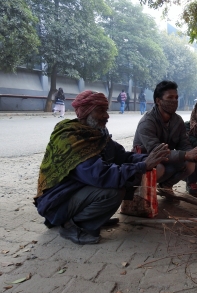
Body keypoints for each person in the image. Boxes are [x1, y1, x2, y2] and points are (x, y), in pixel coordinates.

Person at [34, 90, 170, 245]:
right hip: (57, 203)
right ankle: (73, 225)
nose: (107, 116)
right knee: (113, 191)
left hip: (77, 192)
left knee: (124, 179)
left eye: (106, 110)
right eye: (100, 111)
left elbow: (122, 156)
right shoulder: (70, 138)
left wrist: (149, 159)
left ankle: (94, 218)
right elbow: (101, 175)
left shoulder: (96, 133)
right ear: (85, 113)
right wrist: (143, 165)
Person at [133, 81, 197, 198]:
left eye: (176, 97)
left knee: (190, 164)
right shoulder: (147, 122)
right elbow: (156, 152)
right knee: (159, 168)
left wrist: (196, 155)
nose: (174, 101)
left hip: (165, 159)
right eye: (170, 97)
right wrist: (187, 154)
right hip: (145, 161)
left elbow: (184, 144)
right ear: (158, 101)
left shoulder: (178, 121)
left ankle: (165, 186)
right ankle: (139, 192)